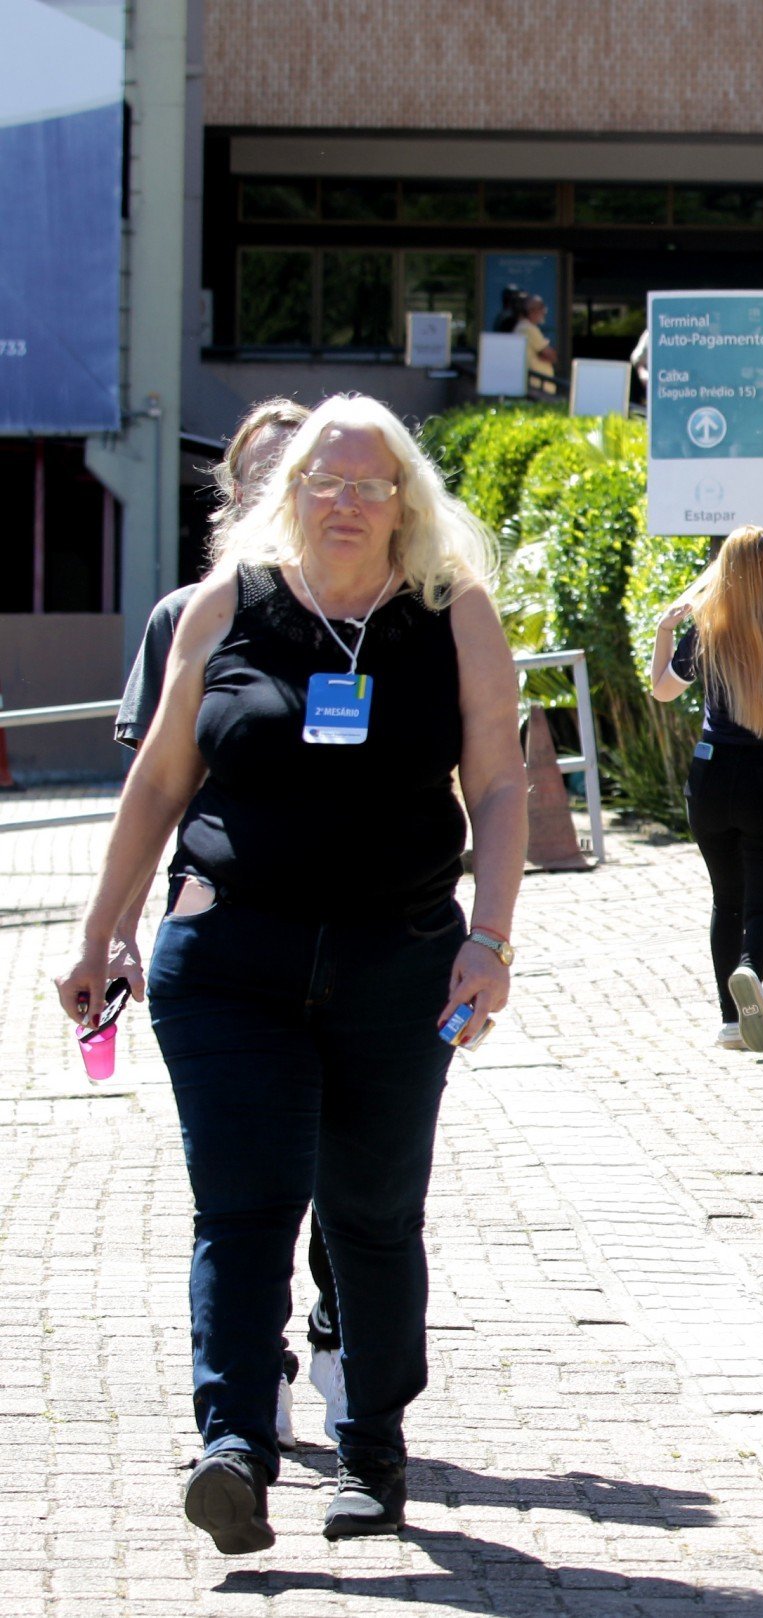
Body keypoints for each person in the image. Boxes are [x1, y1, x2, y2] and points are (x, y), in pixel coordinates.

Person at [54, 394, 527, 1553]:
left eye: (372, 483)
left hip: (399, 957)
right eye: (325, 481)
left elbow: (502, 785)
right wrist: (102, 928)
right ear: (289, 493)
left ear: (407, 501)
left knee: (372, 1211)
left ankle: (370, 1449)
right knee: (245, 1202)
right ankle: (233, 1448)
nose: (347, 501)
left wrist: (493, 938)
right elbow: (161, 779)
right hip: (232, 957)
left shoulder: (451, 614)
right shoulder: (228, 605)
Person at [110, 397, 355, 1451]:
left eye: (294, 474)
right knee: (251, 1173)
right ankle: (260, 1380)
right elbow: (153, 784)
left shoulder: (378, 611)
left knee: (350, 1166)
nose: (277, 494)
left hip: (356, 933)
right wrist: (119, 926)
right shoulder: (190, 613)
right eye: (260, 475)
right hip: (220, 930)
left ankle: (341, 1335)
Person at [651, 528, 763, 1052]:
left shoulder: (706, 630)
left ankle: (730, 1021)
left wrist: (663, 632)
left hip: (711, 773)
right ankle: (750, 971)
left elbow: (663, 691)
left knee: (726, 898)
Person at [514, 293, 558, 397]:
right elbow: (550, 355)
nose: (544, 312)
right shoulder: (528, 328)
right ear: (531, 311)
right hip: (537, 387)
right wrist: (546, 354)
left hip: (537, 386)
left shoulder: (523, 327)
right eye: (542, 308)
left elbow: (549, 355)